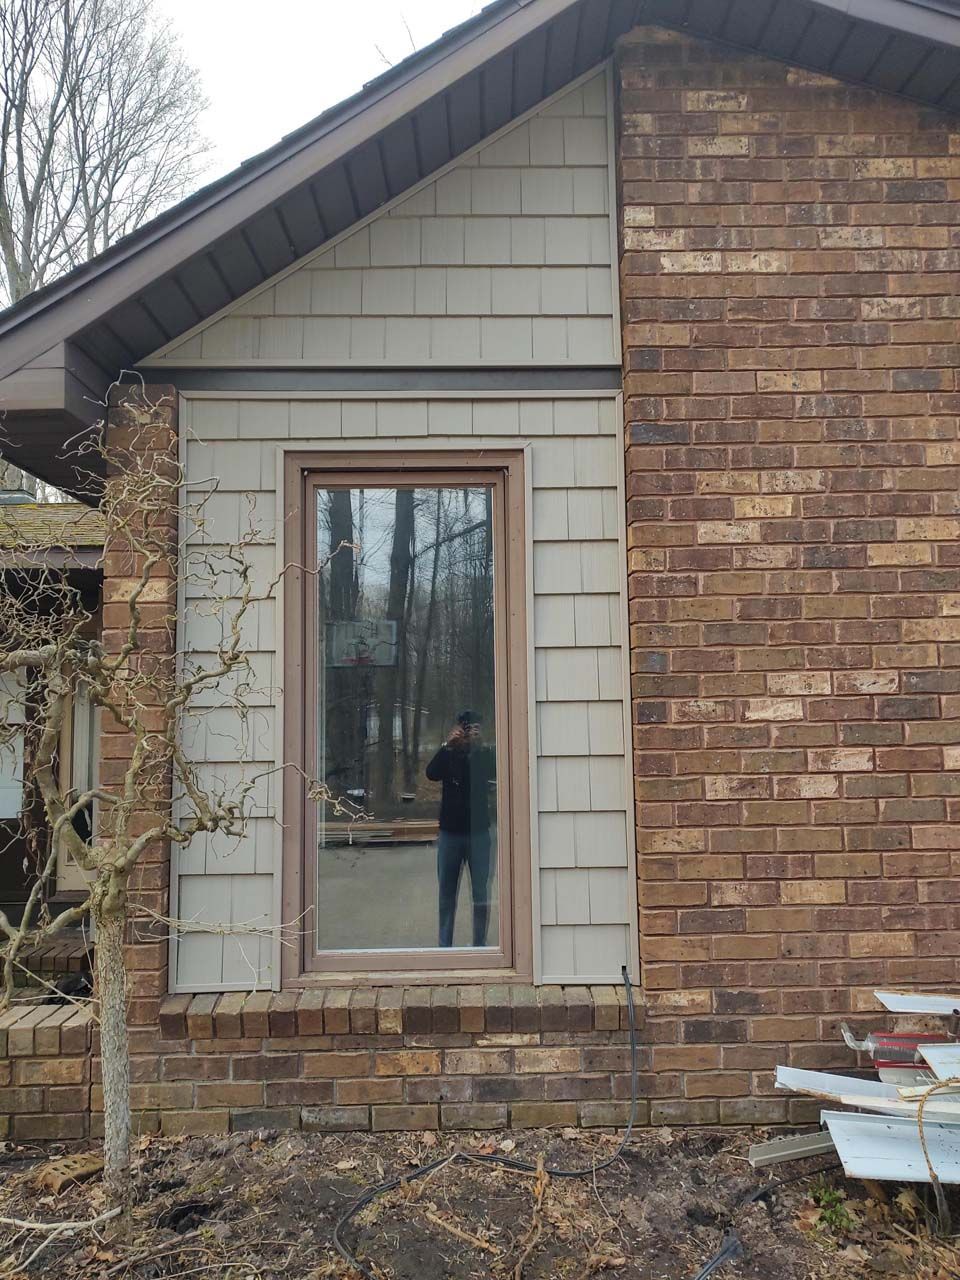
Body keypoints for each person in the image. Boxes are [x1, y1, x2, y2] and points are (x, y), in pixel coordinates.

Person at [425, 709, 496, 947]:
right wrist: (448, 745)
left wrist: (481, 745)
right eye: (465, 728)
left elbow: (497, 772)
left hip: (479, 833)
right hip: (450, 834)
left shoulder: (484, 754)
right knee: (446, 895)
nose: (469, 733)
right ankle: (444, 948)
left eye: (474, 728)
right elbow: (431, 773)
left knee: (481, 895)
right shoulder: (449, 753)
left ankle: (480, 946)